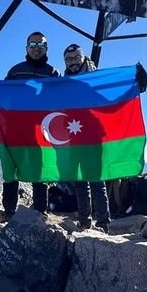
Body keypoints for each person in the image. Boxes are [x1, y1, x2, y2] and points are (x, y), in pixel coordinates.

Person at [0, 31, 60, 220]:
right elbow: (4, 93)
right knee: (10, 166)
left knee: (40, 168)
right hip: (15, 129)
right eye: (32, 45)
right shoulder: (16, 71)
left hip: (40, 130)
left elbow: (63, 94)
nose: (36, 48)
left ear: (46, 48)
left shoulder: (53, 73)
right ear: (26, 48)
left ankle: (40, 212)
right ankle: (9, 211)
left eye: (40, 45)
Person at [62, 43, 111, 232]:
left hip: (94, 136)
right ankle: (84, 220)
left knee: (97, 181)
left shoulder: (97, 78)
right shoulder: (63, 82)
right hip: (73, 136)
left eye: (76, 58)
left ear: (83, 58)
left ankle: (103, 224)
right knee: (80, 182)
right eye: (68, 59)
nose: (72, 62)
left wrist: (135, 80)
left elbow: (112, 97)